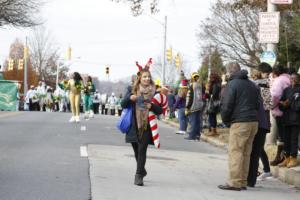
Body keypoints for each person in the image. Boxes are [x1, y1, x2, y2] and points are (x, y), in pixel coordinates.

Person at [218, 62, 259, 191]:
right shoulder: (252, 85)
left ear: (230, 72)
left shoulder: (232, 84)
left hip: (240, 121)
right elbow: (258, 104)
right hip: (253, 121)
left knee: (236, 152)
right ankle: (242, 181)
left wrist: (226, 121)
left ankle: (234, 182)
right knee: (246, 153)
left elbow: (226, 105)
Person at [121, 61, 162, 186]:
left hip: (146, 125)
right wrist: (130, 98)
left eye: (149, 76)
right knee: (136, 150)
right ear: (140, 78)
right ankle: (142, 169)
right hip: (133, 124)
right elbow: (123, 104)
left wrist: (152, 106)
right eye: (144, 76)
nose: (147, 78)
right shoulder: (132, 89)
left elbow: (160, 110)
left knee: (142, 150)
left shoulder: (155, 92)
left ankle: (138, 176)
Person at [252, 63, 273, 181]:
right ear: (260, 71)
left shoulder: (263, 85)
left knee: (258, 146)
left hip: (261, 118)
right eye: (266, 73)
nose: (268, 75)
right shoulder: (258, 84)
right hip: (258, 118)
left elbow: (268, 105)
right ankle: (263, 170)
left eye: (268, 74)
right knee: (257, 146)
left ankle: (264, 170)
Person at [277, 73, 300, 168]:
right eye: (291, 78)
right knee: (286, 139)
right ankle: (286, 158)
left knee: (294, 139)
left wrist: (289, 103)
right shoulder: (286, 90)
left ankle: (293, 157)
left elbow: (298, 105)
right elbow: (280, 102)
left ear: (298, 79)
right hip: (286, 118)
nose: (293, 80)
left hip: (296, 118)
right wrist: (282, 104)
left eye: (295, 78)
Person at [269, 65, 291, 166]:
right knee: (289, 134)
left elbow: (275, 96)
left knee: (281, 136)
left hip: (280, 110)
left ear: (275, 72)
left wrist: (272, 107)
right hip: (291, 110)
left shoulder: (279, 80)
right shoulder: (289, 78)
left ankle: (281, 157)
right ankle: (287, 157)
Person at [185, 72, 204, 140]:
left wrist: (187, 107)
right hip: (199, 105)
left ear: (192, 78)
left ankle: (191, 136)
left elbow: (189, 96)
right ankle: (197, 135)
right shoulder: (200, 85)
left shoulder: (192, 85)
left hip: (193, 106)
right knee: (198, 122)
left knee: (192, 121)